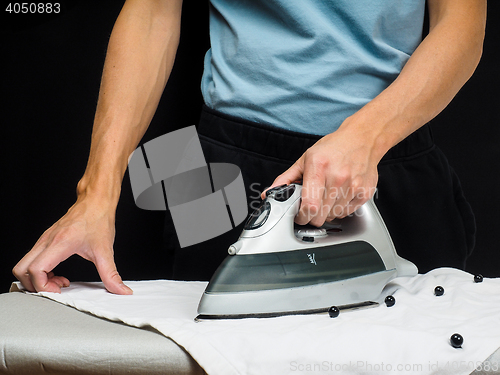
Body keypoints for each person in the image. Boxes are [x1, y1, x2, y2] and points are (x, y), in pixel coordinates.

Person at [13, 0, 486, 294]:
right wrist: (96, 193)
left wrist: (367, 135)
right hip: (217, 158)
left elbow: (462, 26)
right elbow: (153, 12)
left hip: (384, 152)